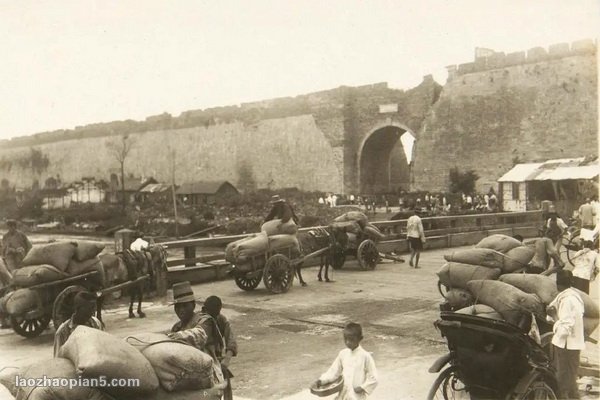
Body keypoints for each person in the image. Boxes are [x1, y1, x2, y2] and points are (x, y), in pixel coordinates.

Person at [547, 270, 584, 399]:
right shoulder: (575, 297)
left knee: (562, 379)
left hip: (565, 345)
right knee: (571, 377)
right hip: (574, 344)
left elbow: (565, 328)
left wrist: (553, 316)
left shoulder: (567, 301)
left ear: (557, 284)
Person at [314, 322, 378, 400]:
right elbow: (334, 371)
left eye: (351, 339)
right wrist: (321, 380)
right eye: (345, 339)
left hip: (357, 396)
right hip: (343, 394)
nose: (348, 342)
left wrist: (362, 387)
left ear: (360, 338)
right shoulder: (343, 354)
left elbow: (374, 377)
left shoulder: (365, 356)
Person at [54, 291, 104, 357]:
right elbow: (58, 359)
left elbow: (103, 349)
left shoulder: (96, 324)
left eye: (93, 308)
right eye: (88, 309)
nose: (92, 312)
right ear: (77, 309)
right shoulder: (63, 332)